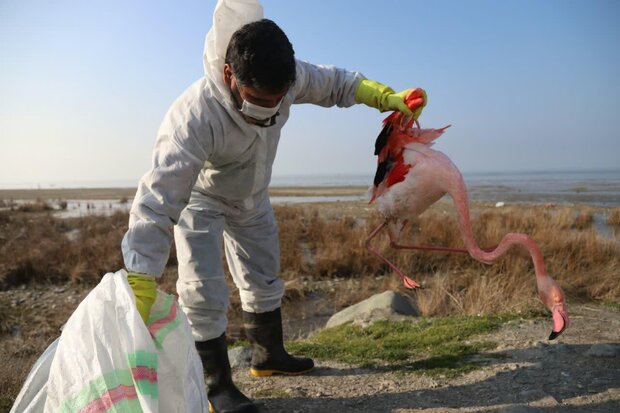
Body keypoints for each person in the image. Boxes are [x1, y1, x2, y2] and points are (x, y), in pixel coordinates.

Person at [121, 12, 426, 413]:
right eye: (257, 102)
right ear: (229, 74)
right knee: (203, 291)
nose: (267, 112)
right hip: (202, 200)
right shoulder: (193, 117)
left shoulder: (291, 79)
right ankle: (215, 387)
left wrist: (385, 97)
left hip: (252, 196)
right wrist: (141, 274)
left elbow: (338, 84)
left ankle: (268, 357)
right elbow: (158, 197)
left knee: (264, 277)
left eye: (276, 102)